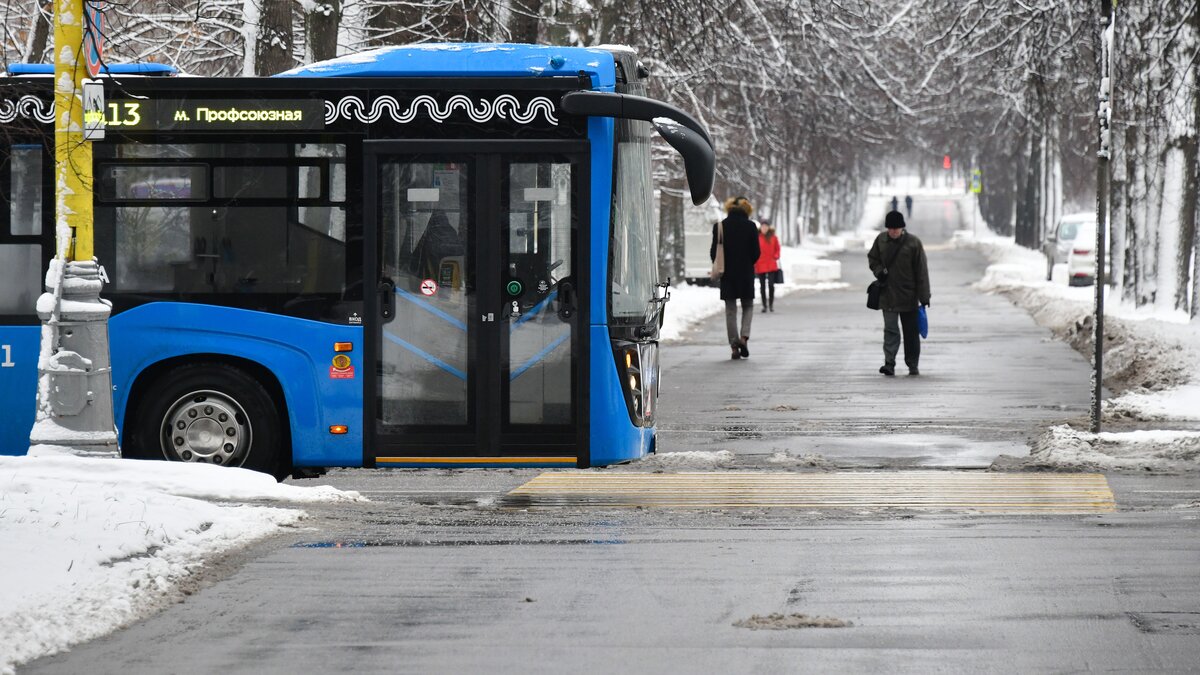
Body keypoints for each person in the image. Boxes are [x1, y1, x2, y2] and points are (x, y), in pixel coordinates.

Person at [867, 211, 930, 376]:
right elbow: (873, 258)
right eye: (890, 228)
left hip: (909, 296)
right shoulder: (881, 240)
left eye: (896, 228)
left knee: (911, 333)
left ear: (903, 227)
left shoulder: (913, 243)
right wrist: (879, 271)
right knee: (891, 331)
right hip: (887, 295)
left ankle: (912, 365)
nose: (893, 231)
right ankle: (889, 363)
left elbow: (921, 272)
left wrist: (924, 296)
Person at [711, 196, 760, 359]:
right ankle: (744, 338)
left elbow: (713, 253)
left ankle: (734, 347)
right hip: (746, 274)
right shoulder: (751, 226)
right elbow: (756, 253)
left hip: (727, 274)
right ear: (747, 210)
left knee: (730, 310)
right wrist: (747, 263)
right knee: (748, 306)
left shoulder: (720, 227)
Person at [754, 220, 781, 313]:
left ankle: (771, 304)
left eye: (766, 226)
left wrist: (776, 256)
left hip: (771, 263)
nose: (764, 228)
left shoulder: (773, 237)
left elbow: (777, 249)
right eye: (763, 226)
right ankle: (764, 305)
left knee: (771, 285)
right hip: (760, 264)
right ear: (760, 228)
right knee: (762, 286)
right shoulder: (757, 237)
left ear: (768, 227)